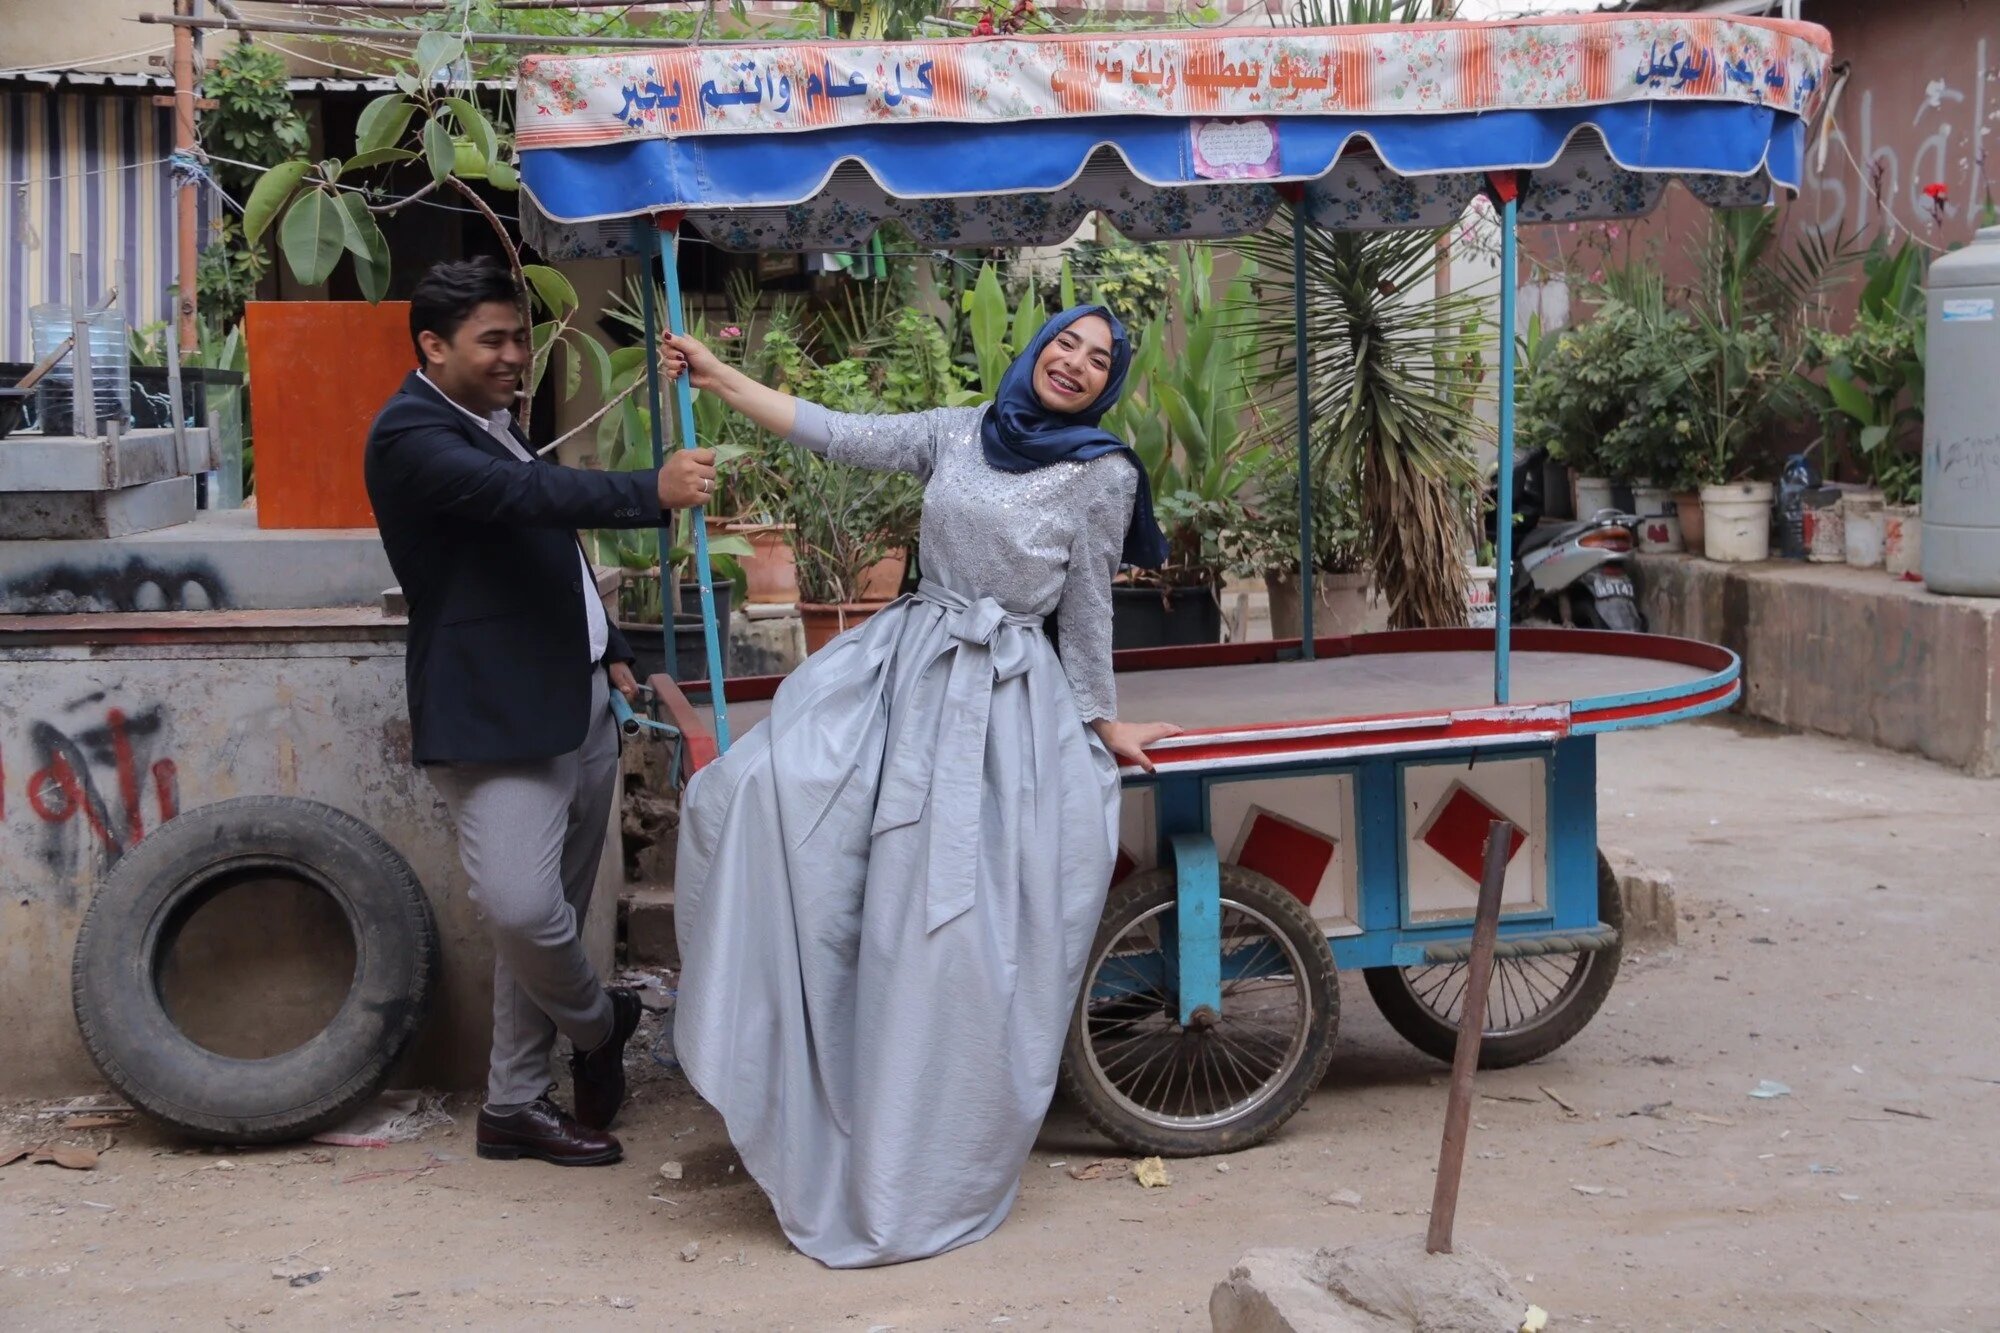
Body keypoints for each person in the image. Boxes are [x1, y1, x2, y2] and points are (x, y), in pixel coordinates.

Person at [663, 305, 1183, 1267]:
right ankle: (802, 1067)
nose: (1075, 362)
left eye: (1098, 358)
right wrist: (716, 377)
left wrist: (1102, 723)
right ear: (1036, 350)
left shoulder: (1101, 472)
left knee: (939, 928)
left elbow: (1089, 604)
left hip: (1001, 700)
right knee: (760, 787)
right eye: (1066, 342)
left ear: (1107, 384)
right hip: (904, 664)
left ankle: (912, 1153)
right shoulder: (958, 428)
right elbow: (833, 429)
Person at [364, 257, 716, 1167]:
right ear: (432, 347)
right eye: (494, 340)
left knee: (552, 905)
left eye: (521, 337)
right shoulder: (410, 434)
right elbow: (522, 498)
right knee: (522, 906)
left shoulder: (491, 423)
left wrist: (616, 647)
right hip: (492, 716)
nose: (517, 355)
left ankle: (514, 1104)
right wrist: (650, 490)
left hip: (579, 702)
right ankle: (603, 1025)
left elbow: (543, 547)